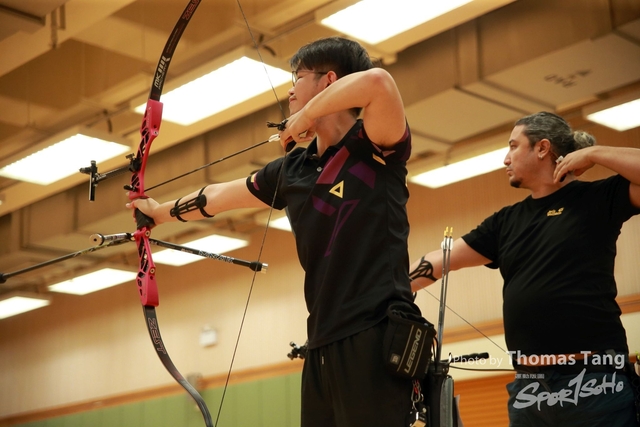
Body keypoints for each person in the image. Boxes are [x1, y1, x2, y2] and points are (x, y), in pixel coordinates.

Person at [129, 37, 421, 427]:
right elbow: (217, 196)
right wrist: (158, 213)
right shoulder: (293, 169)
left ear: (328, 81)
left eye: (298, 77)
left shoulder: (375, 145)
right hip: (320, 343)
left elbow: (379, 82)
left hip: (375, 333)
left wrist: (305, 117)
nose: (290, 90)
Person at [409, 111, 640, 426]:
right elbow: (441, 259)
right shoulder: (505, 222)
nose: (505, 158)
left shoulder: (596, 198)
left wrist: (595, 153)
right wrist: (391, 291)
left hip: (595, 382)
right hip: (529, 388)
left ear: (542, 148)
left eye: (513, 146)